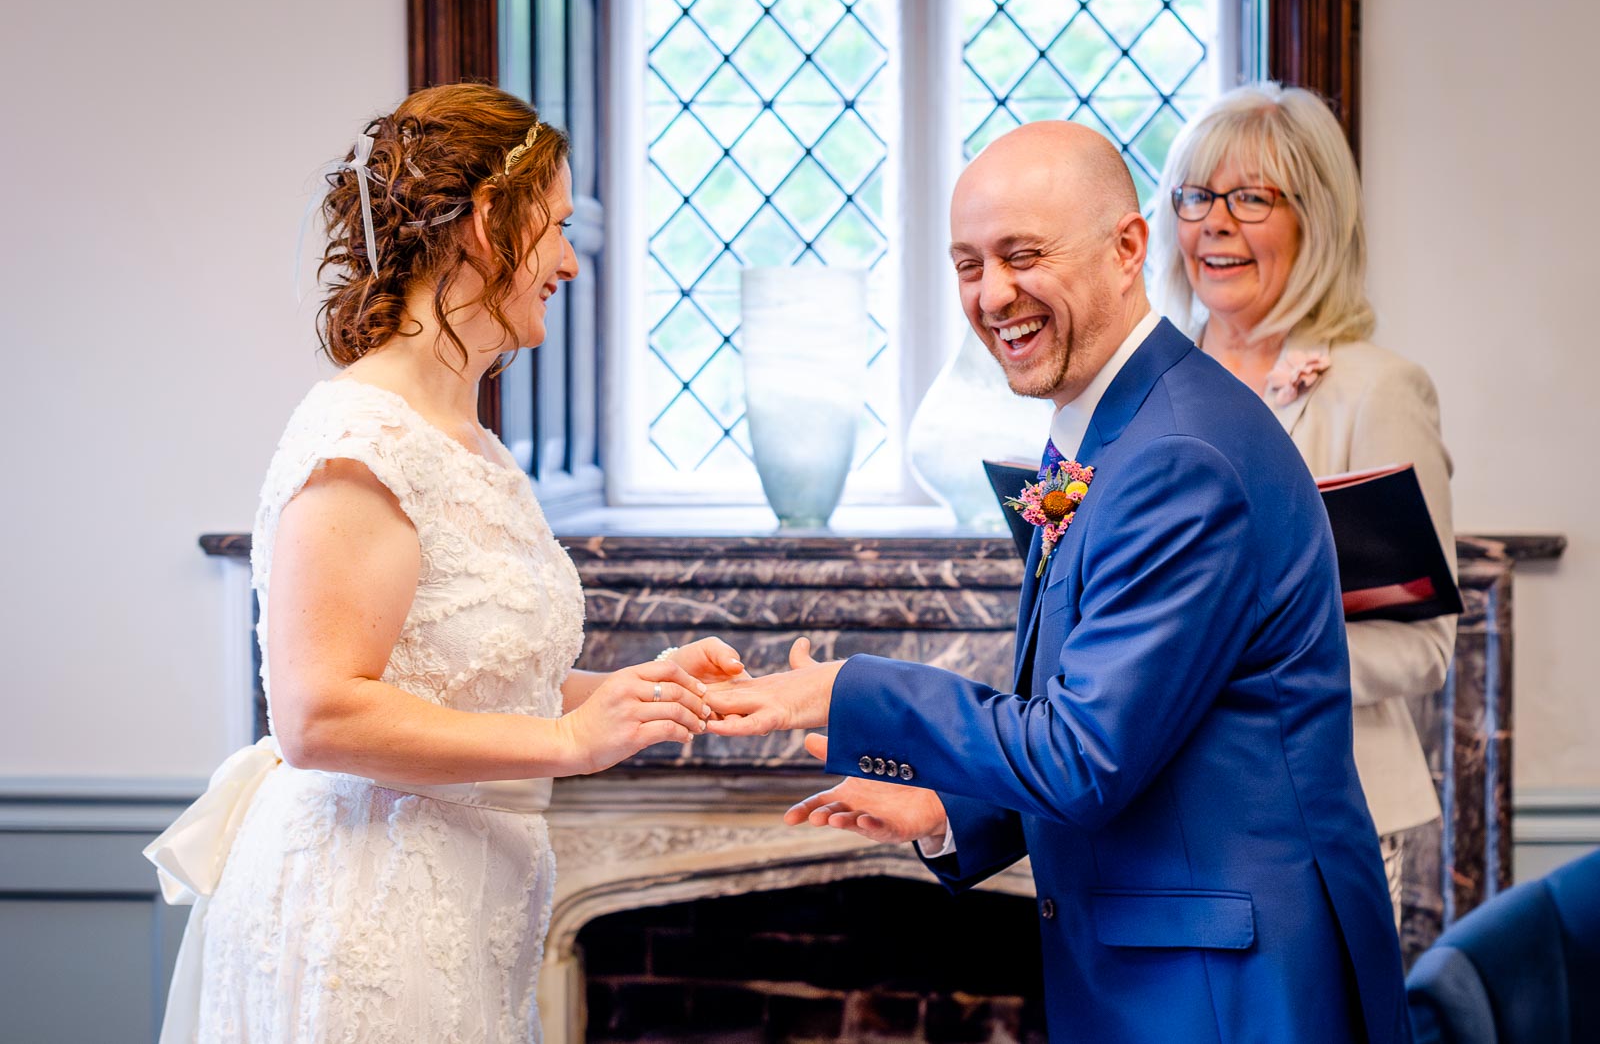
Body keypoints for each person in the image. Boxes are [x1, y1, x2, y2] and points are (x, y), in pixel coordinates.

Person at [706, 121, 1412, 1042]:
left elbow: (1085, 754)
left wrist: (847, 687)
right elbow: (1137, 715)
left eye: (1023, 254)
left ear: (1128, 249)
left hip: (1227, 987)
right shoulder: (1113, 424)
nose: (994, 294)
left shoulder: (1179, 455)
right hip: (1179, 958)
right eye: (968, 265)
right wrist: (948, 808)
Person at [143, 84, 743, 1043]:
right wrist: (568, 745)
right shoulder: (359, 438)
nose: (569, 262)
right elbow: (318, 711)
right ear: (481, 226)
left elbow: (470, 674)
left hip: (462, 920)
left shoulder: (471, 442)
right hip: (361, 922)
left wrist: (628, 691)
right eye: (554, 227)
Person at [1149, 82, 1455, 927]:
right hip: (1164, 809)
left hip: (1328, 814)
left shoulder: (1376, 391)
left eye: (1250, 198)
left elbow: (1424, 647)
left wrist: (1248, 667)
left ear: (1313, 217)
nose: (1215, 223)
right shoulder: (1148, 392)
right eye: (1197, 196)